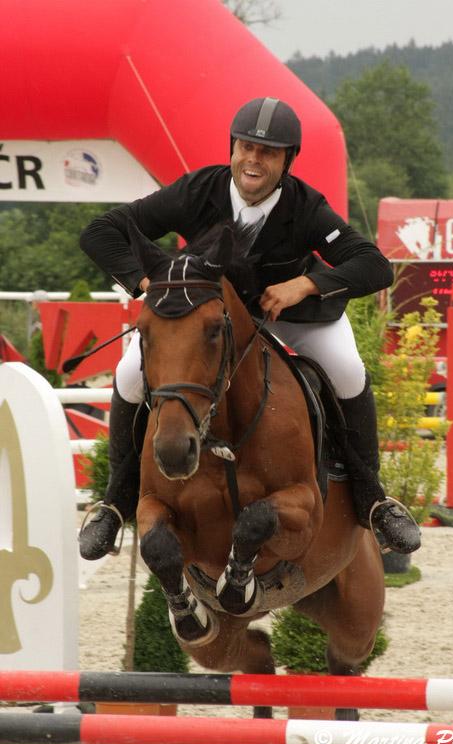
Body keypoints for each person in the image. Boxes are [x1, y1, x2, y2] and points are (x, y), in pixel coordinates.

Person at [78, 96, 421, 561]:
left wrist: (306, 284)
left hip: (291, 317)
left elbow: (374, 265)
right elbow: (100, 232)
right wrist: (150, 285)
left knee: (347, 370)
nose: (254, 160)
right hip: (205, 322)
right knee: (129, 375)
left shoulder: (306, 207)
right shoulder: (198, 191)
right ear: (233, 149)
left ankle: (373, 499)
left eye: (268, 152)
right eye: (246, 147)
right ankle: (115, 504)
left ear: (287, 161)